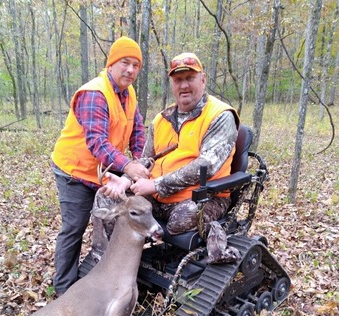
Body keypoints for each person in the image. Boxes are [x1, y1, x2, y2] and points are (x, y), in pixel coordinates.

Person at [94, 51, 240, 259]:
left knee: (181, 219)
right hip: (159, 197)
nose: (184, 85)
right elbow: (147, 159)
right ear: (172, 83)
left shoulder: (220, 115)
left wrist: (156, 185)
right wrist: (126, 181)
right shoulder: (162, 119)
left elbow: (206, 166)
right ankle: (110, 262)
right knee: (108, 198)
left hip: (204, 197)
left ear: (203, 79)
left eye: (190, 78)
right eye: (178, 80)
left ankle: (213, 234)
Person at [51, 36, 149, 296]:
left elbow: (137, 130)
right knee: (75, 226)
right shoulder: (95, 93)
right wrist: (128, 166)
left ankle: (105, 274)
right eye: (125, 62)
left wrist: (139, 160)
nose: (130, 70)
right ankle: (63, 290)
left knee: (114, 217)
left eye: (135, 65)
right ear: (112, 63)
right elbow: (96, 142)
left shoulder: (128, 93)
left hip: (103, 169)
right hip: (74, 170)